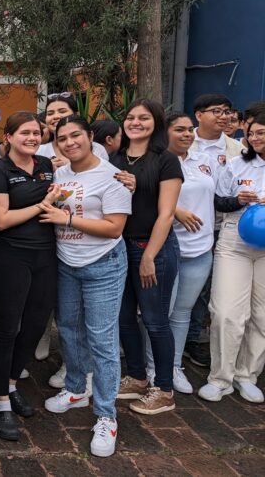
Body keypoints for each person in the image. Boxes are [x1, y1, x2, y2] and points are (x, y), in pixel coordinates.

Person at [38, 115, 131, 458]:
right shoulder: (61, 173)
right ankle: (76, 388)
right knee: (68, 328)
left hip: (103, 263)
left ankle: (106, 415)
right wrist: (50, 203)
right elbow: (50, 206)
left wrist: (68, 218)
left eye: (76, 135)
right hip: (66, 262)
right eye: (62, 138)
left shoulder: (113, 177)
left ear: (90, 136)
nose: (69, 142)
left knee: (102, 339)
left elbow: (114, 228)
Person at [0, 112, 58, 441]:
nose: (32, 137)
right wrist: (44, 204)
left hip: (45, 256)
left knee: (33, 326)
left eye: (36, 132)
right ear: (9, 137)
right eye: (25, 133)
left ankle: (13, 384)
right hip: (10, 257)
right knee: (7, 329)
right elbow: (1, 220)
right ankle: (1, 402)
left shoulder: (47, 164)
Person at [111, 99, 183, 415]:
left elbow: (167, 213)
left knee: (155, 321)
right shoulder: (115, 159)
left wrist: (150, 254)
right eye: (130, 117)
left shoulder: (165, 160)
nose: (135, 122)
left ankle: (164, 390)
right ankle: (138, 378)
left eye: (144, 117)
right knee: (125, 317)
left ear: (156, 123)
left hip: (151, 248)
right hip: (118, 248)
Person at [199, 112, 265, 403]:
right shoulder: (237, 164)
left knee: (262, 315)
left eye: (261, 132)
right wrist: (238, 200)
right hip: (235, 241)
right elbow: (217, 201)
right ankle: (220, 377)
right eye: (252, 133)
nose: (255, 138)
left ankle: (247, 375)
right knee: (227, 312)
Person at [155, 113, 216, 394]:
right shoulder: (156, 161)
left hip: (200, 250)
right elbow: (142, 196)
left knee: (182, 313)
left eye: (190, 129)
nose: (187, 134)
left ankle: (174, 366)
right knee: (157, 314)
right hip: (167, 247)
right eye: (179, 130)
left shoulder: (205, 161)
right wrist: (174, 210)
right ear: (165, 133)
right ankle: (152, 367)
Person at [185, 94, 244, 367]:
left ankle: (193, 340)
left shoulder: (237, 149)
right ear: (199, 115)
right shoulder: (184, 140)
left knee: (206, 288)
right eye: (216, 111)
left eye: (227, 112)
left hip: (222, 227)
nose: (223, 116)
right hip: (184, 226)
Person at [37, 94, 109, 166]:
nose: (55, 116)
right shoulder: (38, 151)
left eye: (62, 111)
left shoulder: (96, 149)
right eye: (50, 113)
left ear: (76, 114)